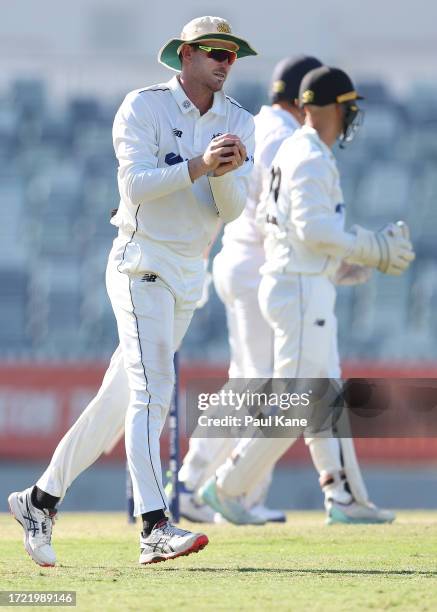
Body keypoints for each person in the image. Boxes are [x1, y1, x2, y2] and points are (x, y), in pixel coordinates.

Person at [8, 15, 257, 567]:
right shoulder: (143, 106)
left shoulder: (241, 120)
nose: (224, 62)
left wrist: (221, 172)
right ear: (185, 55)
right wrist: (199, 164)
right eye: (214, 51)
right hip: (139, 261)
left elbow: (234, 210)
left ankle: (38, 499)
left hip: (189, 273)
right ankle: (154, 527)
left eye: (232, 55)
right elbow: (134, 187)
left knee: (116, 402)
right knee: (154, 388)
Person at [199, 66, 415, 524]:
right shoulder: (310, 155)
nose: (349, 119)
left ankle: (344, 497)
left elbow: (301, 231)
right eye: (347, 110)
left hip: (299, 281)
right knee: (297, 403)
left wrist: (338, 265)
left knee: (325, 398)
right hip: (297, 288)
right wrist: (371, 248)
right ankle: (226, 487)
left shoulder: (296, 148)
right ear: (333, 110)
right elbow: (314, 228)